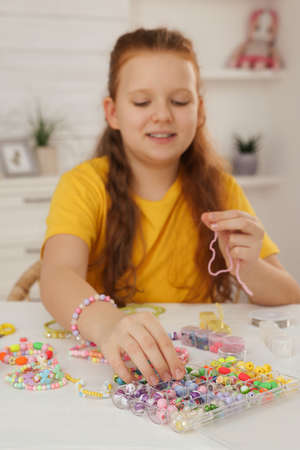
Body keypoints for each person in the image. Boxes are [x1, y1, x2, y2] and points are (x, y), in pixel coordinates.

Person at [40, 27, 300, 386]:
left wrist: (250, 264)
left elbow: (289, 295)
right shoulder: (82, 186)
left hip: (194, 365)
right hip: (106, 367)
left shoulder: (222, 188)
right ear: (113, 112)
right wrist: (110, 324)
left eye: (179, 101)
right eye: (142, 102)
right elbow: (56, 276)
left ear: (199, 109)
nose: (162, 115)